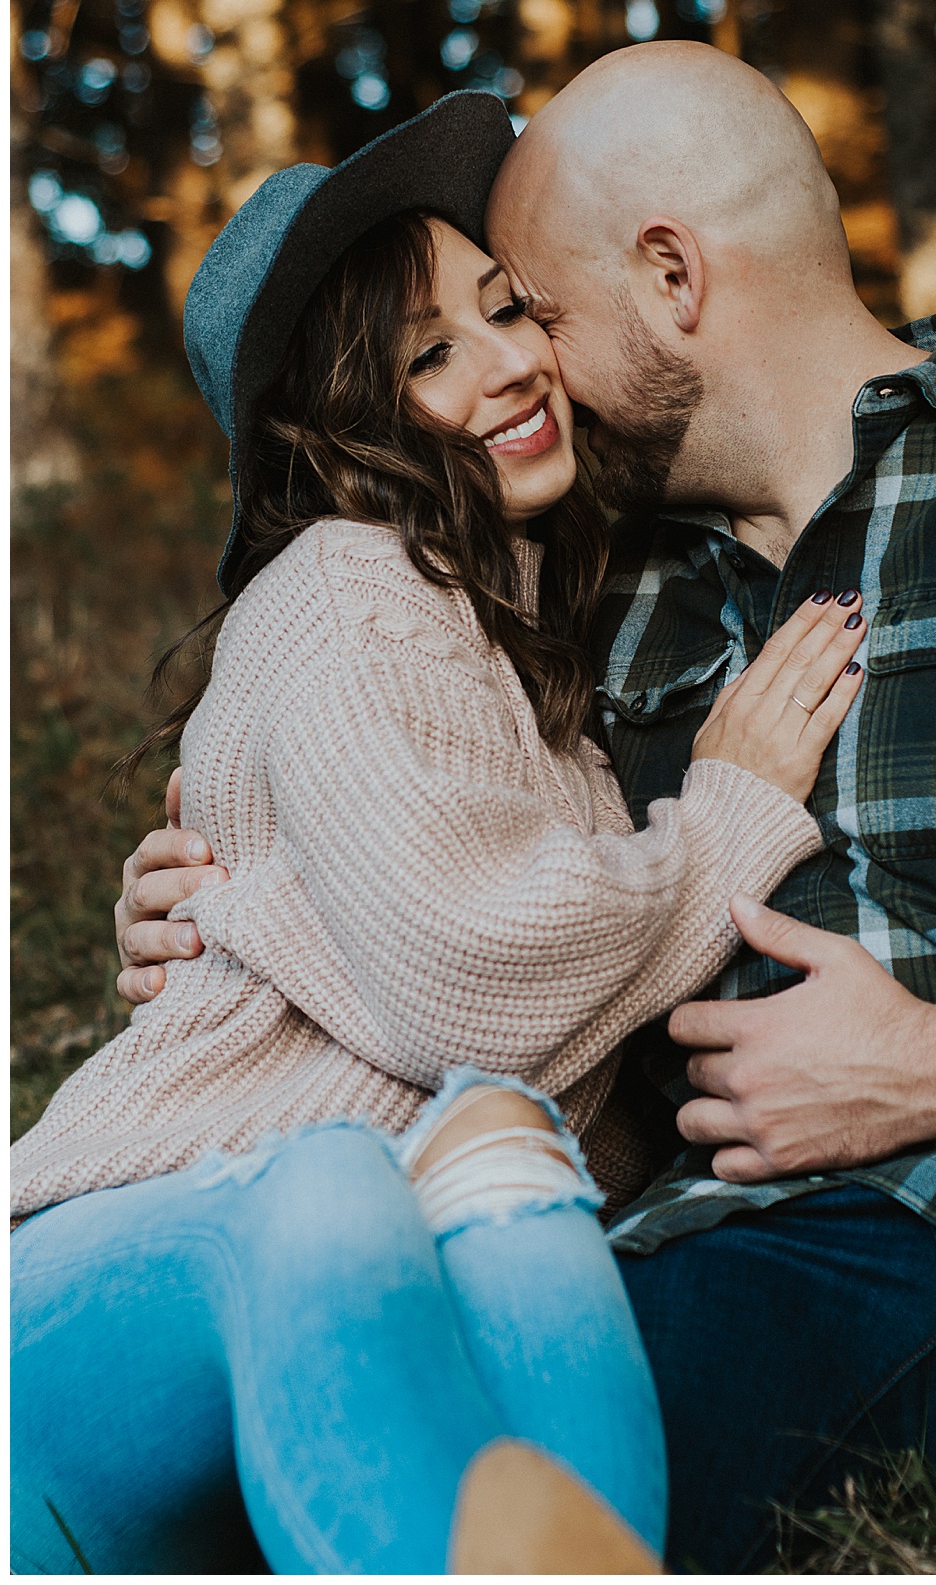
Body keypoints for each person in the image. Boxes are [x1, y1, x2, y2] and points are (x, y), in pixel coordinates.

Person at [117, 45, 936, 1572]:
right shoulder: (551, 587)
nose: (523, 369)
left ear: (672, 275)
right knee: (359, 1468)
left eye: (531, 311)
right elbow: (390, 809)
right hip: (728, 1264)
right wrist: (207, 900)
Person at [11, 91, 871, 1576]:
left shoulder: (523, 672)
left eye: (504, 309)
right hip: (108, 1319)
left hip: (325, 1358)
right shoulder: (349, 587)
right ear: (340, 426)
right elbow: (475, 972)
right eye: (428, 355)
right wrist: (725, 821)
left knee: (500, 1156)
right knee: (370, 1161)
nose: (509, 366)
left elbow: (498, 1030)